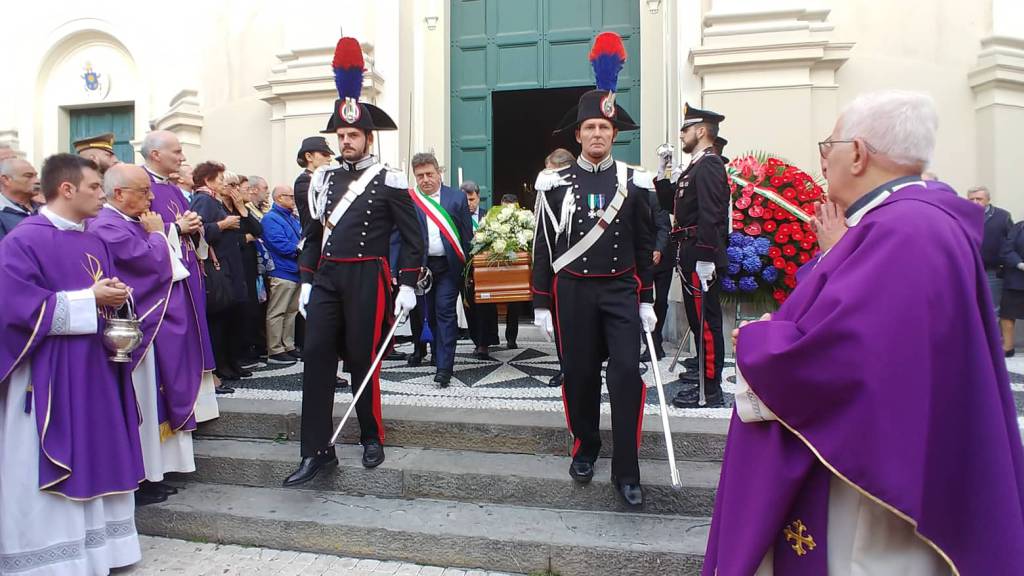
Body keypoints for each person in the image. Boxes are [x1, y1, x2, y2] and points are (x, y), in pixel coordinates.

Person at [704, 90, 1024, 575]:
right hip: (897, 446)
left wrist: (760, 341)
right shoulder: (912, 220)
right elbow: (873, 328)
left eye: (827, 145)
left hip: (875, 483)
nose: (823, 158)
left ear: (856, 153)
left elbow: (852, 358)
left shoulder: (905, 230)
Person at [283, 36, 424, 487]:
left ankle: (370, 435)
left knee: (364, 359)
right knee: (317, 358)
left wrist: (407, 282)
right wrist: (306, 278)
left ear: (367, 137)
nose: (345, 141)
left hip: (369, 276)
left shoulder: (390, 179)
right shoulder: (321, 179)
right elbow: (314, 232)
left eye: (353, 135)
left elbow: (413, 236)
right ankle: (316, 451)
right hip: (327, 277)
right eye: (340, 136)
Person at [0, 153, 144, 574]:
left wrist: (117, 294)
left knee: (98, 449)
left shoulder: (94, 237)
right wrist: (89, 299)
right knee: (51, 456)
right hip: (48, 373)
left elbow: (106, 288)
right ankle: (51, 560)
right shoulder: (24, 240)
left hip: (95, 368)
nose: (103, 195)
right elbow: (13, 309)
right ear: (67, 189)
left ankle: (104, 551)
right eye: (95, 188)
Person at [532, 32, 656, 506]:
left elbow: (645, 245)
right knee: (579, 373)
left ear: (614, 132)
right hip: (574, 294)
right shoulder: (554, 182)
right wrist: (541, 300)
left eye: (605, 128)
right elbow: (543, 244)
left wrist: (646, 298)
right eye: (590, 128)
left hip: (622, 290)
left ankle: (627, 468)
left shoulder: (635, 181)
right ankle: (585, 444)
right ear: (578, 134)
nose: (598, 134)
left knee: (626, 374)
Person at [88, 164, 197, 506]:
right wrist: (157, 234)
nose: (151, 198)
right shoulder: (107, 226)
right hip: (136, 329)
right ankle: (140, 476)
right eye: (144, 192)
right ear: (119, 193)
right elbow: (148, 265)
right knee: (141, 404)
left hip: (150, 327)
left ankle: (151, 473)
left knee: (152, 402)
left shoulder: (127, 221)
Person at [655, 103, 730, 408]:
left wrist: (707, 257)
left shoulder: (710, 164)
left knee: (706, 323)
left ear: (701, 131)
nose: (682, 135)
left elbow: (712, 214)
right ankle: (704, 375)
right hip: (690, 251)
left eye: (685, 130)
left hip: (700, 252)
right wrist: (663, 173)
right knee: (700, 321)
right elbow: (672, 205)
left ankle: (709, 391)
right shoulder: (695, 166)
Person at [141, 130, 221, 412]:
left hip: (189, 270)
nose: (183, 157)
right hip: (166, 280)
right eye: (176, 152)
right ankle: (177, 405)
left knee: (196, 332)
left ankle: (200, 406)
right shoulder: (139, 186)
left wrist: (194, 225)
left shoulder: (174, 188)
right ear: (155, 154)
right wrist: (175, 228)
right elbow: (134, 231)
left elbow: (187, 227)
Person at [190, 162, 263, 383]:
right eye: (221, 180)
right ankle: (222, 366)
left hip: (232, 266)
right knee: (220, 322)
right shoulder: (203, 200)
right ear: (208, 180)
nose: (225, 185)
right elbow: (198, 232)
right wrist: (223, 225)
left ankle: (232, 363)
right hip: (220, 267)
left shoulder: (214, 200)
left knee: (232, 319)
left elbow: (257, 231)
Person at [405, 152, 473, 387]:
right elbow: (401, 236)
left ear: (439, 173)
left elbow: (466, 236)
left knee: (445, 312)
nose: (425, 179)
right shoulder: (410, 200)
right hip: (423, 269)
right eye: (420, 175)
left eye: (429, 174)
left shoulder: (457, 198)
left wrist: (469, 269)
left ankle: (444, 368)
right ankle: (436, 351)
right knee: (430, 314)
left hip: (448, 268)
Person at [262, 185, 303, 364]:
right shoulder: (271, 218)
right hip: (282, 270)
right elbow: (280, 244)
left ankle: (288, 345)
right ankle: (275, 349)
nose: (293, 200)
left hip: (294, 270)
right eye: (290, 197)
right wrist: (299, 249)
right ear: (279, 198)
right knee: (277, 312)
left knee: (291, 311)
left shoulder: (291, 217)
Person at [462, 180, 499, 360]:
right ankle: (477, 341)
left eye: (472, 199)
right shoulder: (457, 218)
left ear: (478, 198)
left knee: (486, 307)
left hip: (486, 269)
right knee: (470, 307)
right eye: (466, 200)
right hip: (466, 270)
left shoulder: (488, 217)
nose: (469, 204)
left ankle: (485, 343)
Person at [967, 186, 1013, 319]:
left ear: (988, 199)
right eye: (971, 199)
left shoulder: (1002, 216)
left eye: (979, 199)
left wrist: (1003, 262)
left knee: (992, 307)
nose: (975, 202)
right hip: (969, 269)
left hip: (992, 270)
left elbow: (1010, 241)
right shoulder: (962, 215)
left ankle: (992, 338)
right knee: (971, 306)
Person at [294, 136, 337, 232]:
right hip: (314, 241)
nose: (329, 159)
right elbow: (326, 203)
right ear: (309, 156)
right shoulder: (303, 181)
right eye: (324, 154)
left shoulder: (325, 179)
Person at [0, 157, 40, 241]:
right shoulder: (2, 213)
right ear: (6, 180)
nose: (37, 181)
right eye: (28, 176)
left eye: (36, 175)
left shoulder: (45, 209)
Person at [1000, 220, 1024, 356]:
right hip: (1016, 277)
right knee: (1007, 314)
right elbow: (1006, 250)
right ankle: (1007, 347)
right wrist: (1019, 264)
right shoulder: (1019, 226)